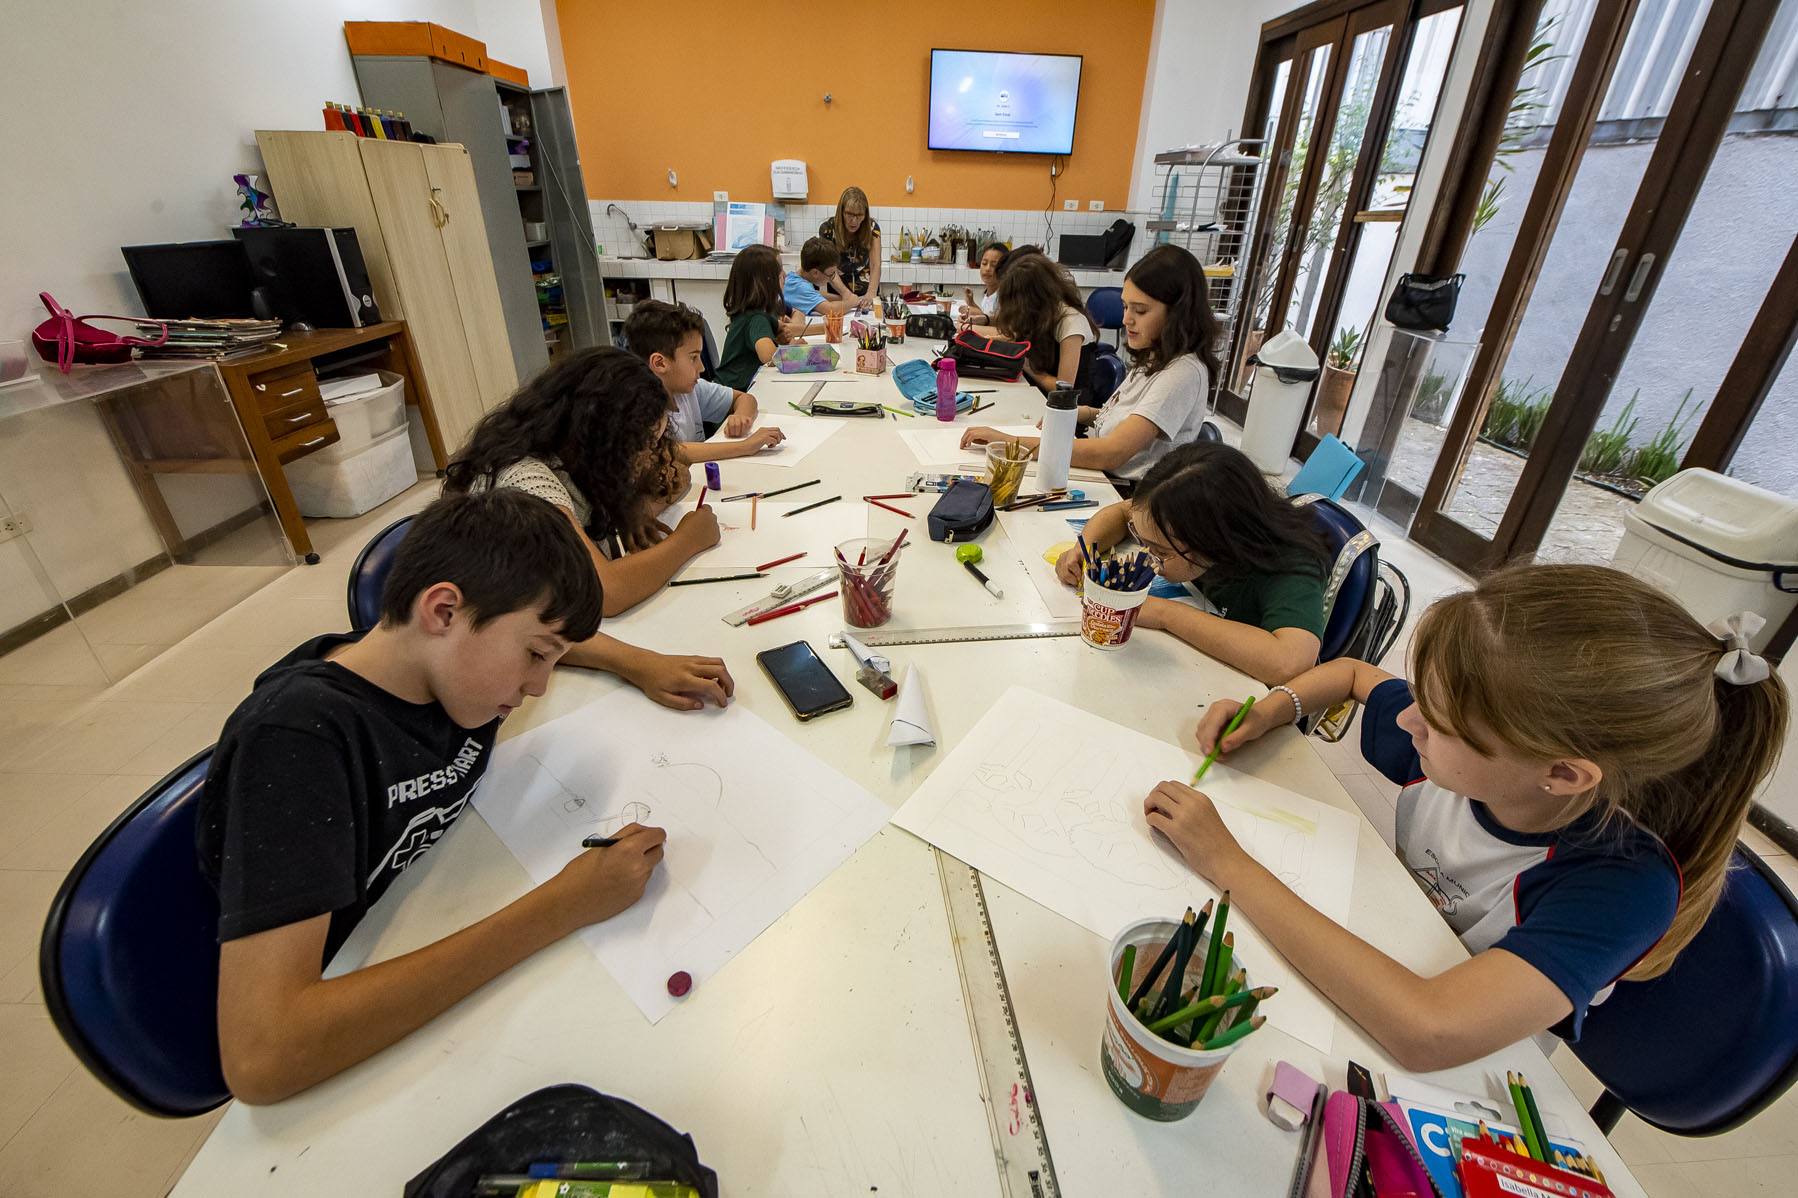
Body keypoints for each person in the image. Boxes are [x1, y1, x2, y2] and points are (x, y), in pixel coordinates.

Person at [1148, 563, 1788, 1072]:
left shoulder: (1623, 886)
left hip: (1464, 1067)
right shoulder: (1481, 755)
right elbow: (1351, 676)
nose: (1407, 721)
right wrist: (1275, 707)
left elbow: (1427, 1032)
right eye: (1423, 698)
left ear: (1563, 774)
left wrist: (1227, 863)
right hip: (1380, 950)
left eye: (1439, 722)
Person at [200, 490, 671, 1103]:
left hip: (421, 910)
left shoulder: (450, 667)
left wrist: (637, 663)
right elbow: (263, 1057)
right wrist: (562, 905)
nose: (537, 686)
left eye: (549, 659)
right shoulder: (299, 740)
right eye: (534, 656)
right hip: (347, 1013)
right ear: (443, 611)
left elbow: (541, 626)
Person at [443, 349, 729, 641]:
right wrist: (689, 540)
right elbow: (605, 592)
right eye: (642, 445)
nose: (648, 458)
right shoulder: (528, 480)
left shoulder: (583, 460)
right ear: (602, 437)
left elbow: (677, 476)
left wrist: (636, 512)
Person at [1056, 441, 1327, 683]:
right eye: (1143, 541)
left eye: (1160, 551)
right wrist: (1084, 548)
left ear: (1216, 540)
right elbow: (1123, 511)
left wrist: (1165, 614)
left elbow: (1288, 662)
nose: (1148, 558)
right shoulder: (1182, 519)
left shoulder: (1293, 566)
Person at [962, 245, 1218, 480]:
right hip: (1101, 474)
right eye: (1126, 307)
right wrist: (1082, 413)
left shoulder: (1182, 373)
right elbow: (1121, 420)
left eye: (1140, 311)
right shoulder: (1155, 356)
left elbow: (1110, 452)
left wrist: (1010, 442)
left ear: (1178, 314)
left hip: (1122, 490)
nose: (1127, 319)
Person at [623, 300, 784, 462]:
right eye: (693, 358)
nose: (701, 367)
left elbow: (745, 398)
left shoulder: (690, 388)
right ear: (660, 363)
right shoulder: (637, 406)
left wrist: (741, 417)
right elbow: (670, 451)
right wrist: (745, 446)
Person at [965, 253, 1094, 393]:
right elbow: (1012, 335)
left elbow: (1064, 390)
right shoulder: (1041, 313)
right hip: (1037, 392)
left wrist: (1028, 367)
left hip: (1068, 405)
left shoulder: (1071, 322)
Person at [715, 244, 801, 391]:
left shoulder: (755, 312)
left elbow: (786, 328)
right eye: (779, 270)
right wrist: (797, 350)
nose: (785, 275)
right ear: (763, 280)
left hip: (730, 390)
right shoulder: (756, 318)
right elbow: (769, 356)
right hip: (735, 396)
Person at [817, 186, 881, 305]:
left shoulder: (872, 228)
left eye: (859, 215)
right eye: (849, 214)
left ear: (865, 214)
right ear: (841, 212)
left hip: (867, 294)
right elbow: (829, 268)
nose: (854, 221)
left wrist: (871, 293)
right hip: (839, 294)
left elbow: (875, 264)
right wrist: (847, 295)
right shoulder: (828, 230)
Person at [783, 237, 859, 333]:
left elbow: (814, 294)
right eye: (831, 274)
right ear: (815, 272)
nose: (832, 277)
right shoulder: (799, 287)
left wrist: (841, 298)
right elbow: (831, 310)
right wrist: (851, 302)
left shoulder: (794, 278)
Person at [958, 241, 1006, 322]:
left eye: (994, 265)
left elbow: (995, 323)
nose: (987, 269)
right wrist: (971, 302)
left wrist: (974, 311)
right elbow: (984, 315)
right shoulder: (988, 292)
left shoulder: (1004, 296)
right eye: (984, 263)